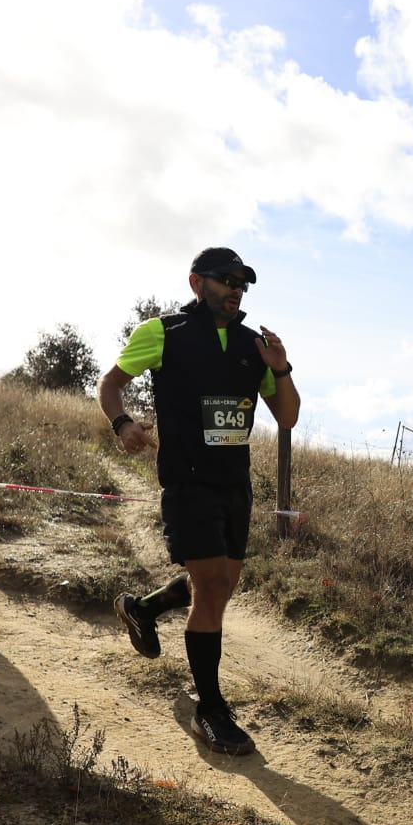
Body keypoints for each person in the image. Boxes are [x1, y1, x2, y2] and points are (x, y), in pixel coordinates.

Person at [99, 246, 298, 755]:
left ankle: (141, 607)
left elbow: (289, 417)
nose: (236, 290)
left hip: (236, 483)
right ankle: (209, 709)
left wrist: (282, 368)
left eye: (243, 284)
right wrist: (123, 424)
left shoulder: (256, 346)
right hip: (186, 481)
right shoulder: (163, 332)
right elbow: (111, 383)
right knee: (210, 589)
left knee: (221, 585)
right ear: (197, 282)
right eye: (226, 280)